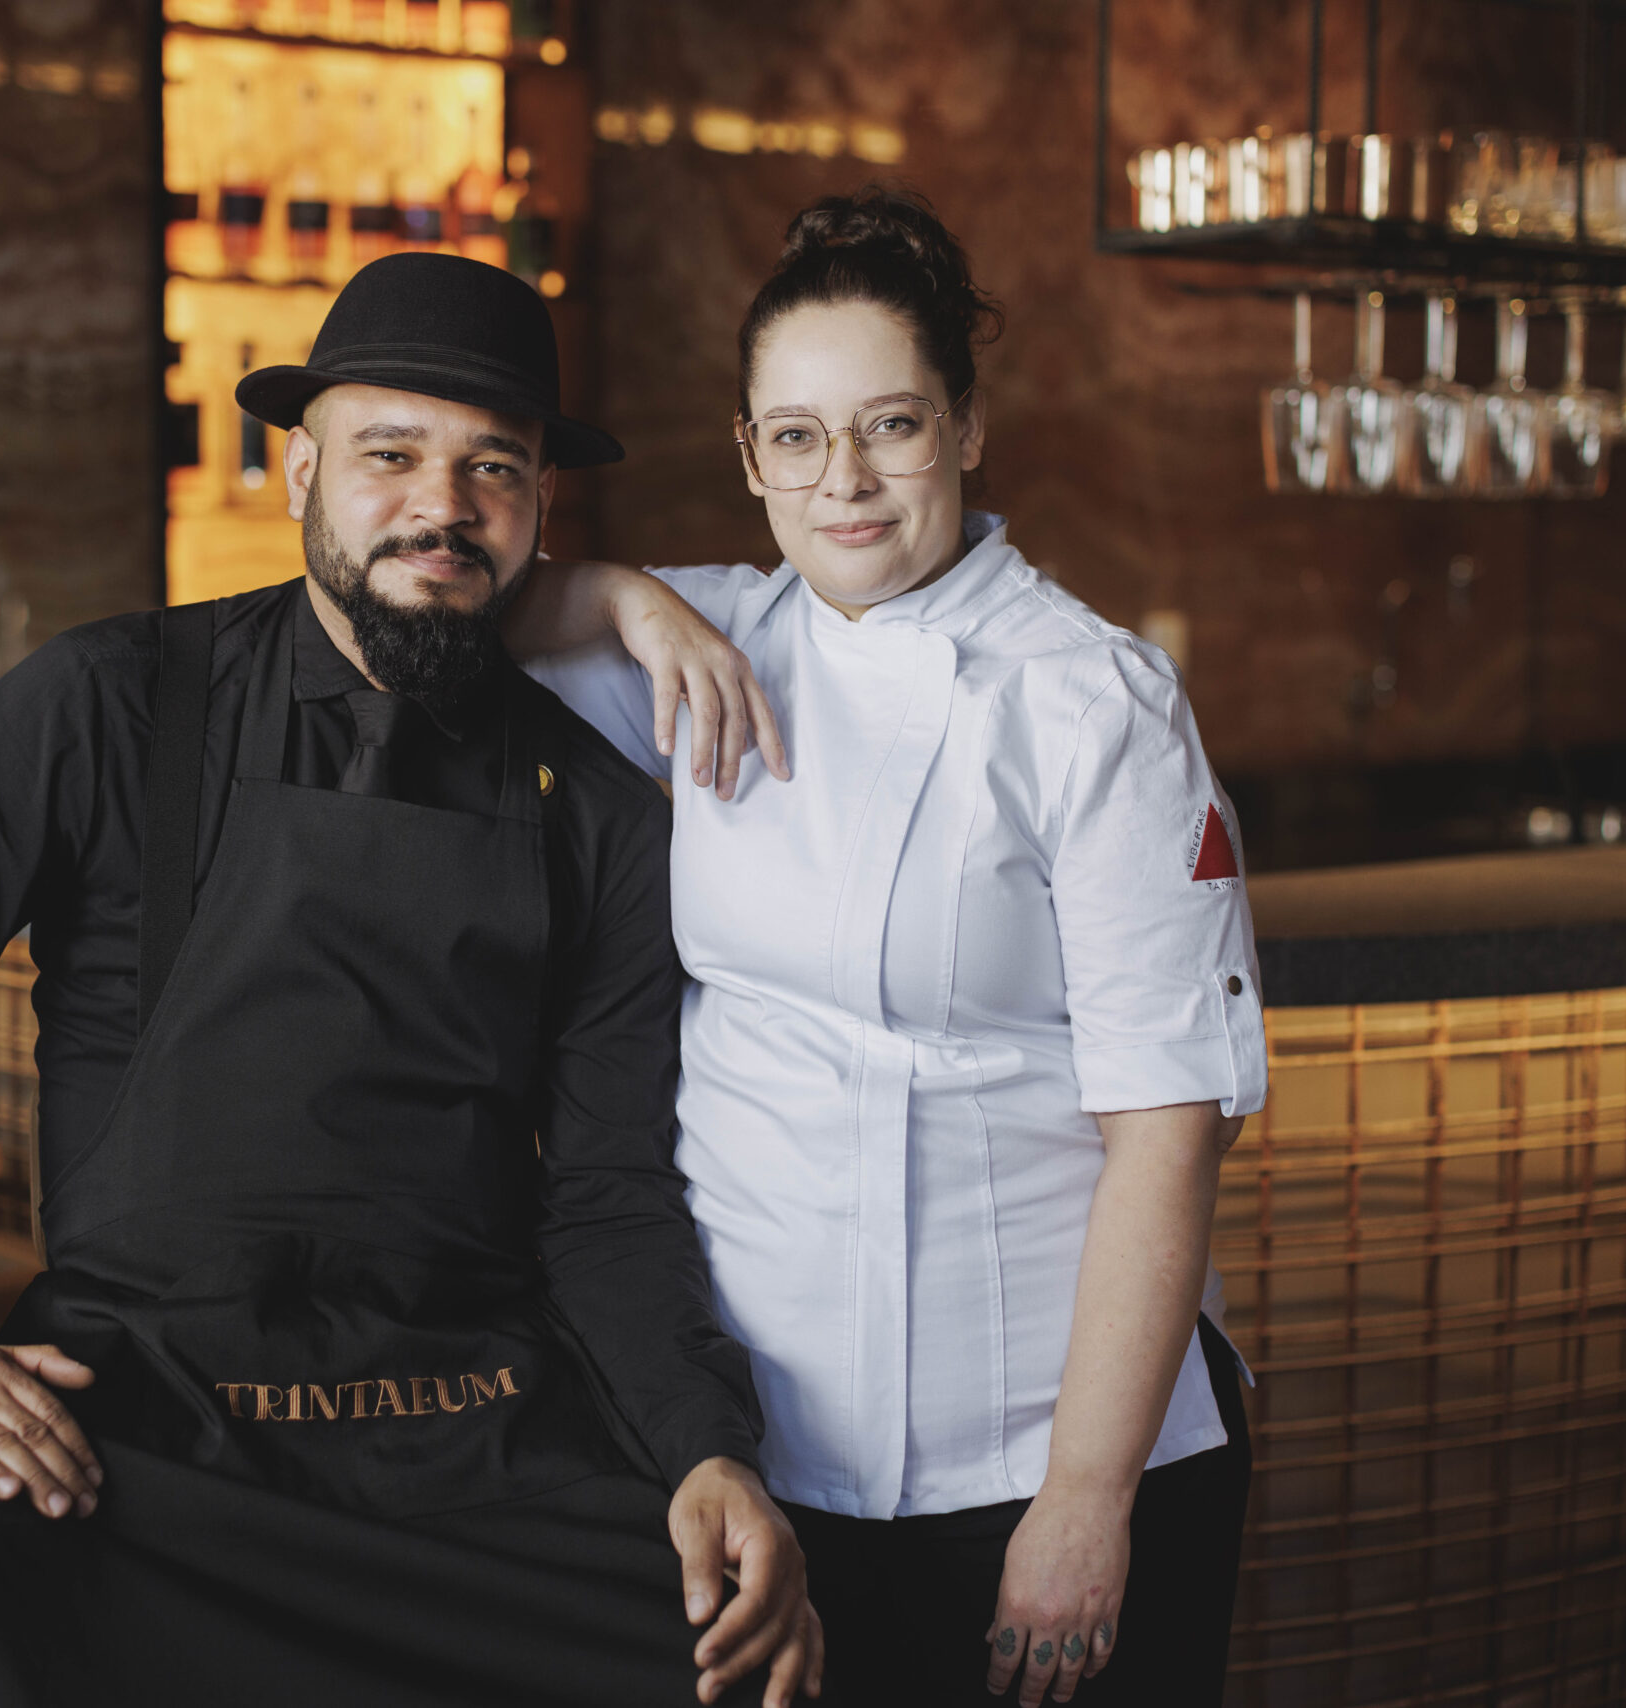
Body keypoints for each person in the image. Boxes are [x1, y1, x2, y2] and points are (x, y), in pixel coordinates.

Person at [0, 252, 822, 1708]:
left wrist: (704, 1446)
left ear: (542, 506)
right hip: (135, 1416)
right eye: (390, 455)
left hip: (464, 1421)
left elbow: (609, 1196)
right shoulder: (109, 705)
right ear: (299, 468)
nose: (442, 505)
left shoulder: (603, 816)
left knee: (729, 1658)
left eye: (493, 466)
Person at [506, 188, 1266, 1708]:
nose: (842, 480)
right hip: (764, 1469)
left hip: (1034, 1462)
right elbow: (463, 611)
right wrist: (627, 596)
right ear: (748, 458)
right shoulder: (710, 646)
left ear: (967, 429)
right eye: (796, 437)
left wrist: (1085, 1501)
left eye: (892, 426)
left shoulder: (1092, 702)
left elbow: (1169, 1129)